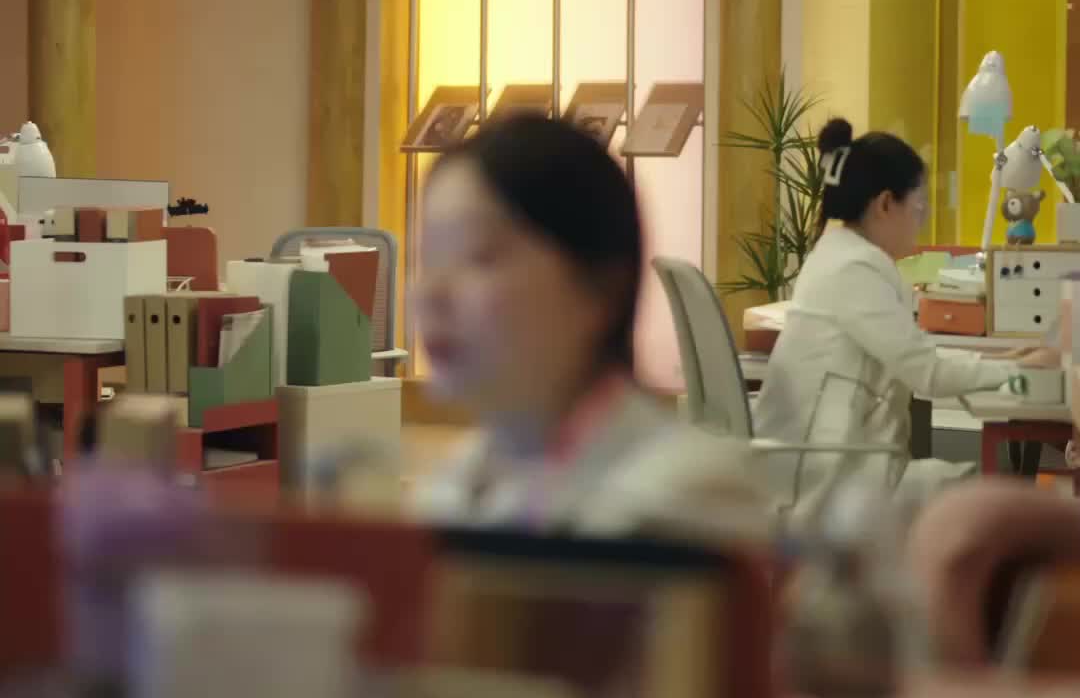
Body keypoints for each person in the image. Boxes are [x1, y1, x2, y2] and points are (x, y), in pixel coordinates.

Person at [412, 112, 764, 535]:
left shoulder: (682, 498)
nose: (431, 292)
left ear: (601, 286)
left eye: (479, 255)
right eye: (428, 257)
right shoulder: (451, 489)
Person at [753, 118, 1057, 524]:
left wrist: (1005, 360)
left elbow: (917, 359)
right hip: (829, 481)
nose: (923, 217)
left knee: (993, 492)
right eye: (919, 205)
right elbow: (928, 374)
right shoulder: (855, 269)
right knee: (997, 497)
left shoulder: (839, 254)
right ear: (885, 204)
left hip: (820, 466)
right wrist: (1019, 370)